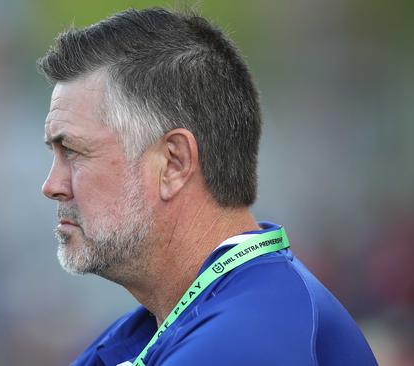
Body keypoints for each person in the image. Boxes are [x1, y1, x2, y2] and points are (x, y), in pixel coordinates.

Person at [38, 7, 377, 366]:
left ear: (174, 163)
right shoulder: (162, 327)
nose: (52, 186)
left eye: (72, 152)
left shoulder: (249, 339)